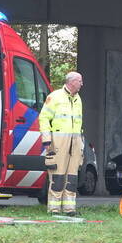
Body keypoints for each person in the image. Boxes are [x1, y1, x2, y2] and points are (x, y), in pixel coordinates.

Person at [39, 71, 84, 216]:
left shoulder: (78, 99)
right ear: (71, 82)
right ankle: (54, 208)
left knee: (72, 177)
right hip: (58, 142)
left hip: (75, 142)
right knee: (57, 176)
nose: (82, 84)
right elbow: (44, 118)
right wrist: (46, 139)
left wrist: (81, 144)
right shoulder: (55, 97)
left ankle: (69, 208)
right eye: (80, 81)